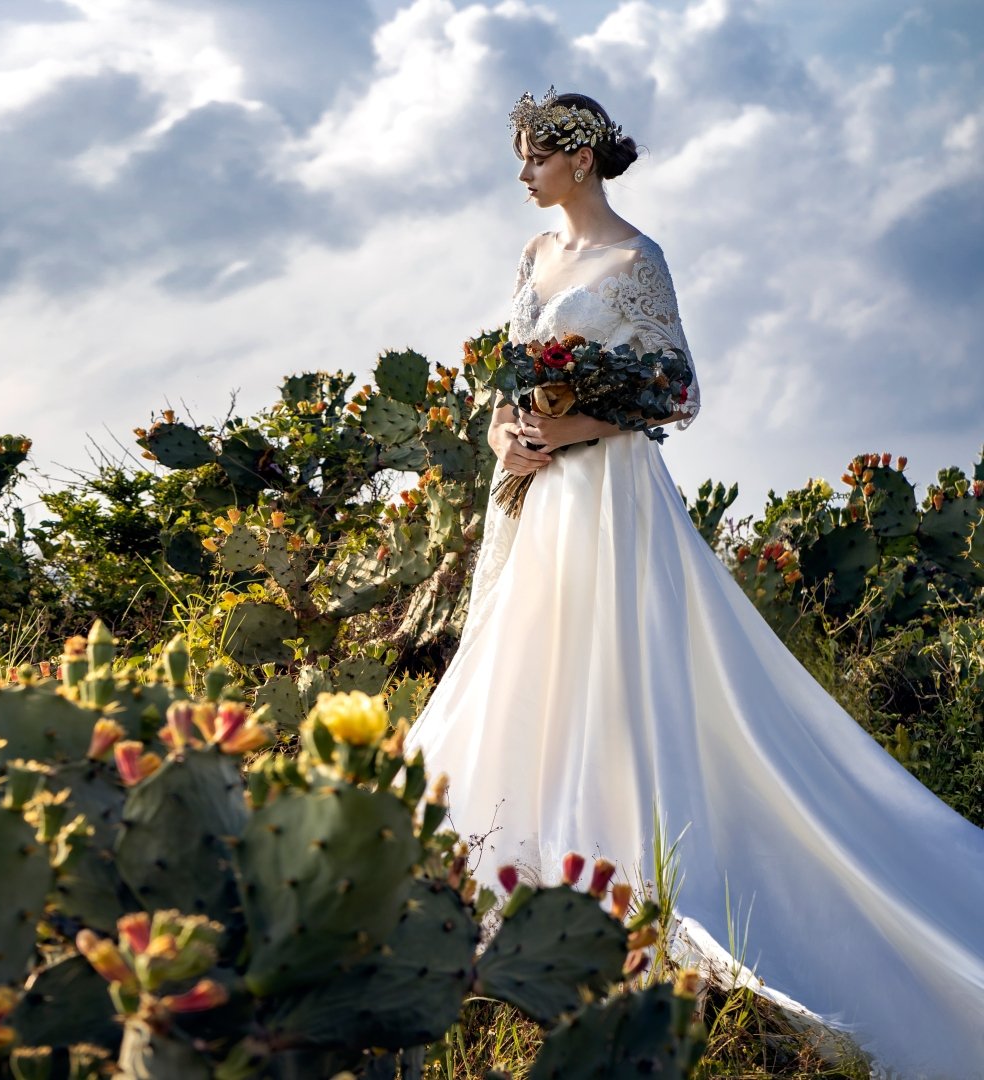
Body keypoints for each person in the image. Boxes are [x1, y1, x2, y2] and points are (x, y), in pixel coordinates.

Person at [400, 89, 984, 1079]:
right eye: (522, 157)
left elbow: (677, 389)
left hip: (610, 494)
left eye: (536, 156)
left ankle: (630, 868)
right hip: (539, 494)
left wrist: (573, 427)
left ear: (580, 158)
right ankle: (514, 872)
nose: (523, 174)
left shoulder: (638, 260)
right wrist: (507, 434)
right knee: (529, 660)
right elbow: (509, 378)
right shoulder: (534, 256)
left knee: (614, 664)